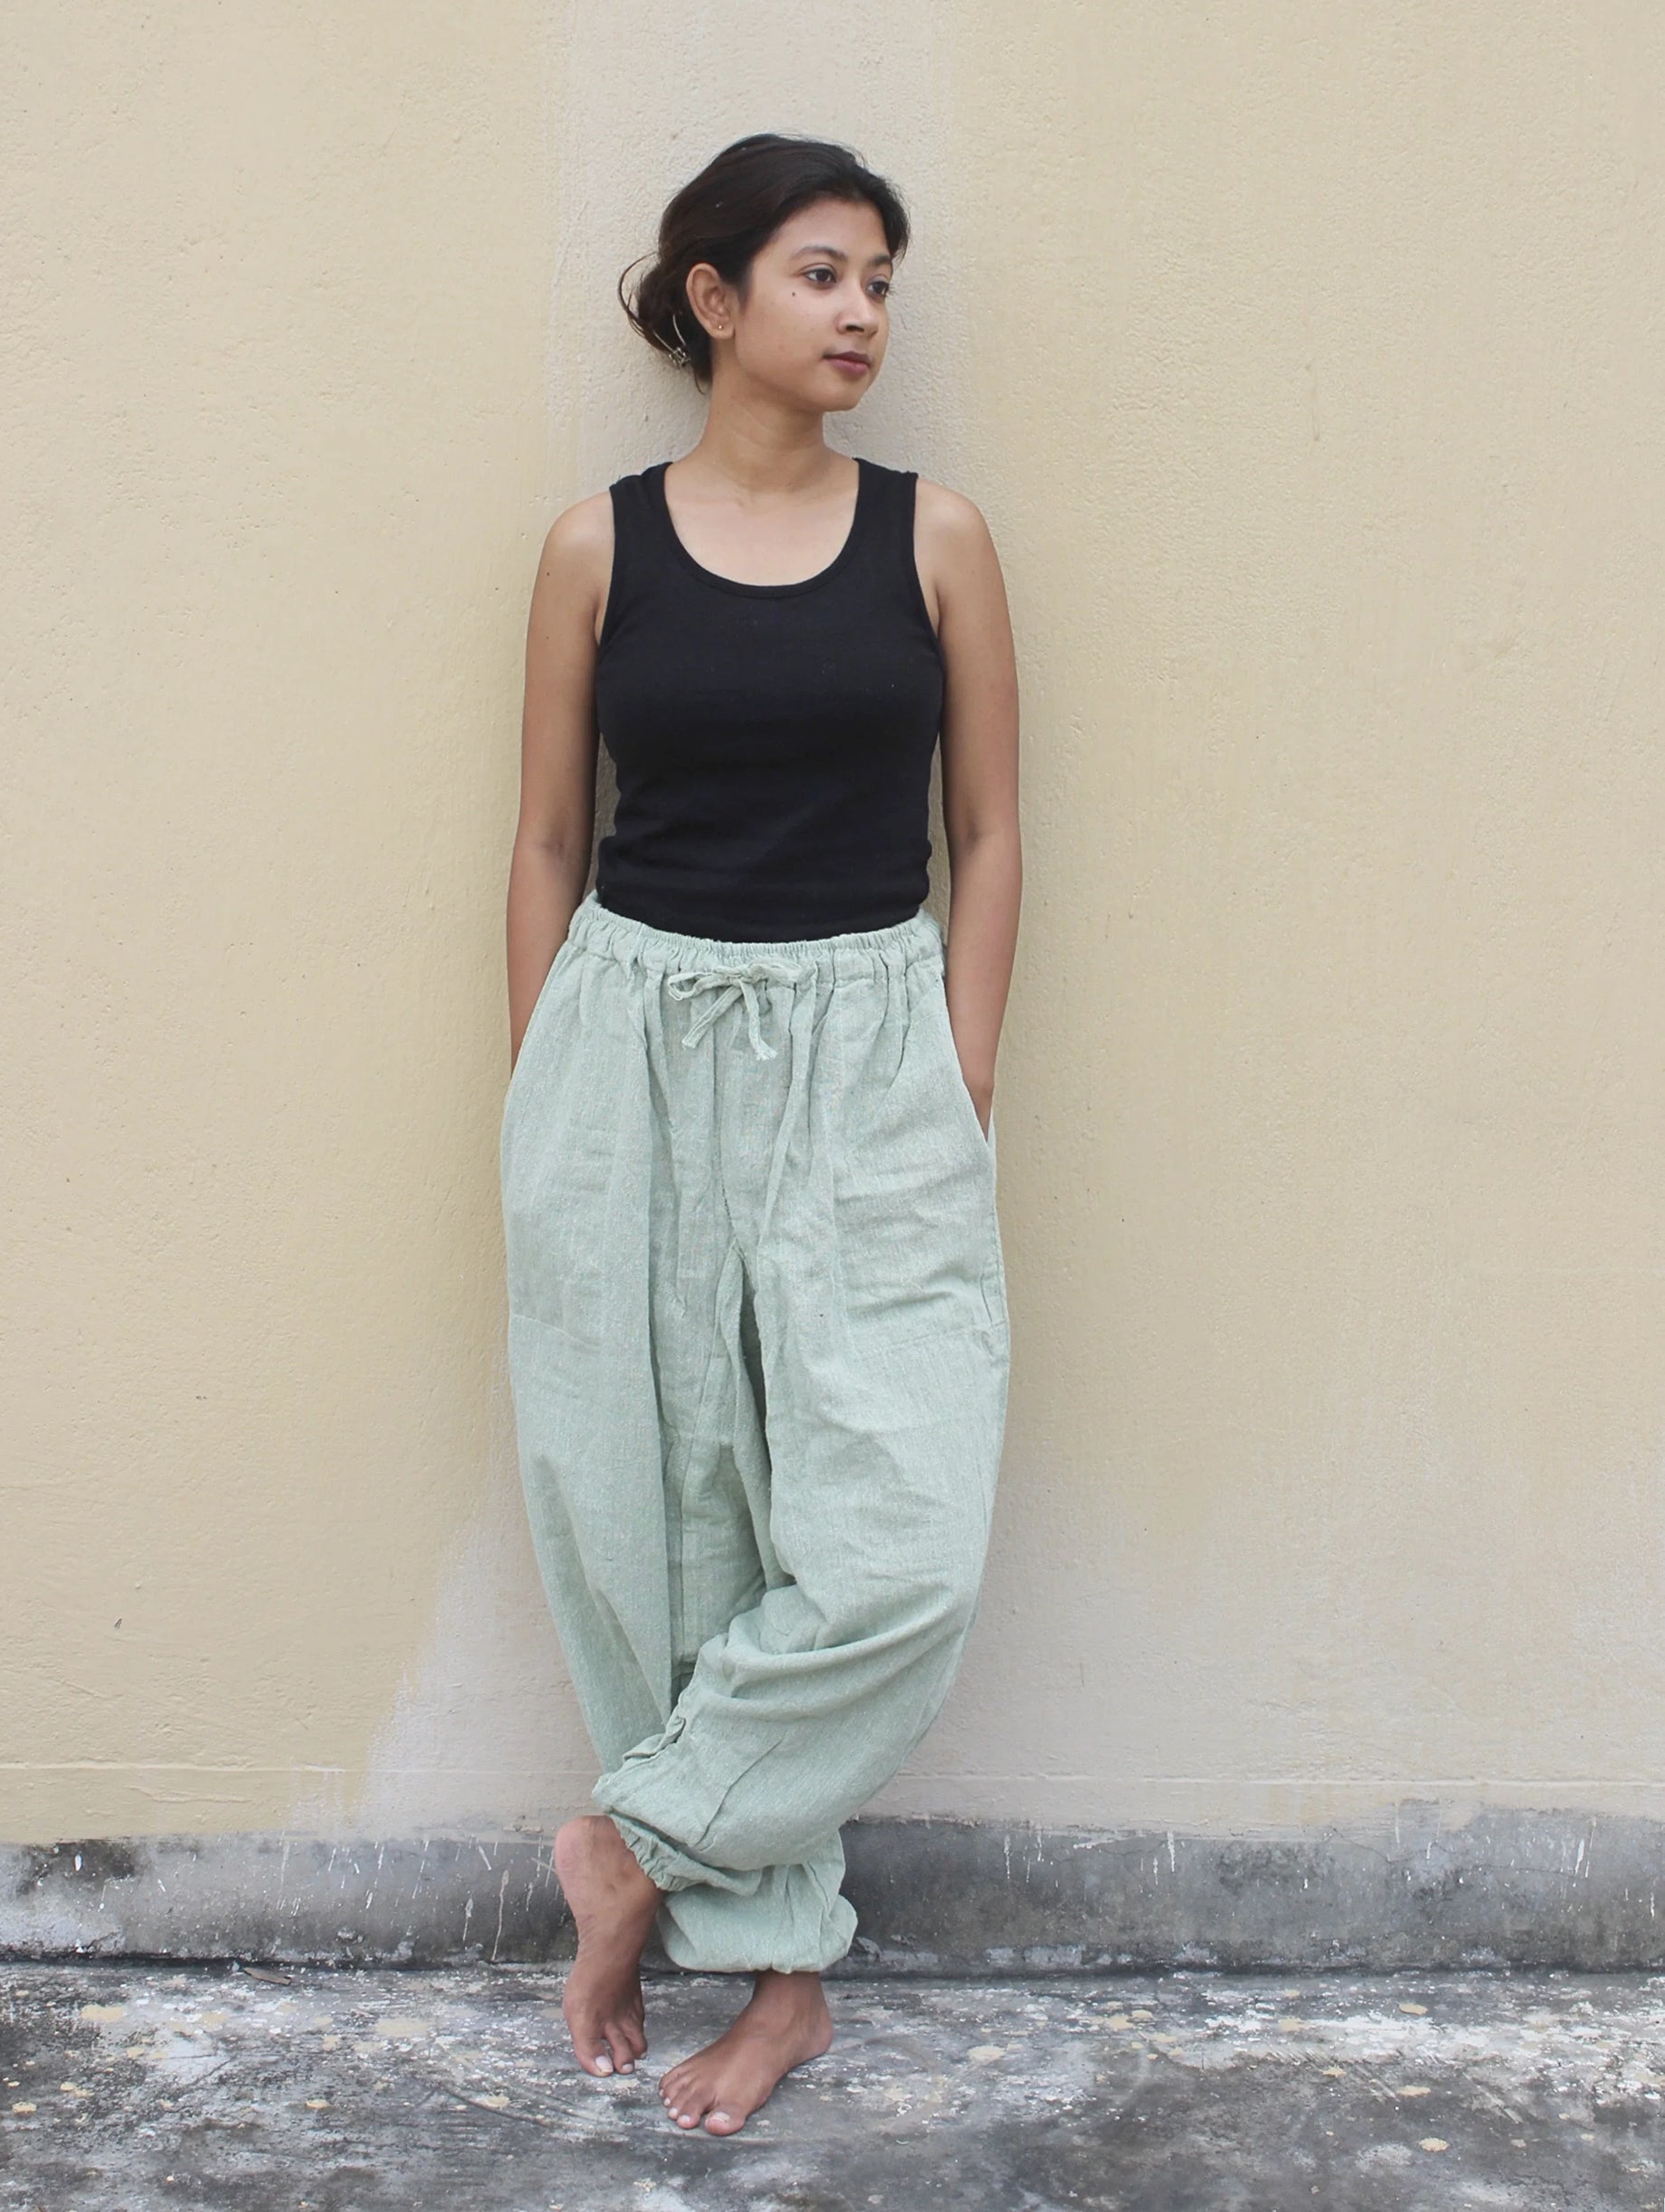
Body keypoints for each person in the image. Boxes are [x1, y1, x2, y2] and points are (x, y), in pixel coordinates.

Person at [500, 130, 1021, 2137]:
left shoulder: (939, 539)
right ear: (713, 300)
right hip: (628, 1048)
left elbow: (986, 833)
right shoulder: (594, 547)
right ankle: (780, 1978)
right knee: (661, 1528)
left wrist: (956, 1072)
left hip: (870, 1045)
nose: (864, 312)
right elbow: (547, 836)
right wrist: (543, 1084)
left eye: (881, 278)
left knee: (892, 1536)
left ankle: (624, 1847)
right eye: (822, 273)